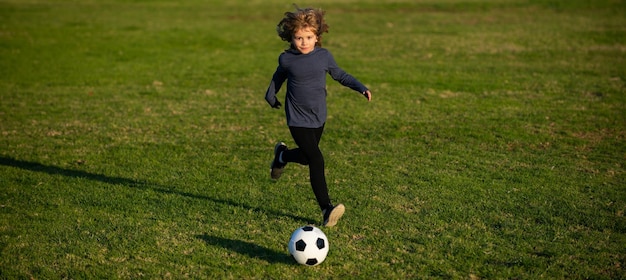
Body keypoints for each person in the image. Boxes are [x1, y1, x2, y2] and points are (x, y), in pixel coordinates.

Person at [264, 6, 372, 227]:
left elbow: (340, 75)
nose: (304, 42)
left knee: (305, 157)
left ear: (317, 37)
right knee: (316, 158)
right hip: (296, 118)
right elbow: (278, 77)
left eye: (309, 37)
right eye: (299, 38)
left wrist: (360, 87)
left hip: (318, 116)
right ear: (291, 38)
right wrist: (270, 95)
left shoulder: (323, 56)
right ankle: (326, 209)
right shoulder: (287, 59)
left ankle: (282, 156)